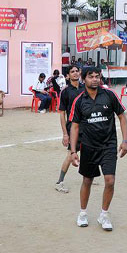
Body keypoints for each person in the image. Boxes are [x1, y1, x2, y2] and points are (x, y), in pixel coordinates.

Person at [69, 67, 127, 230]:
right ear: (84, 79)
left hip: (108, 145)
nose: (95, 79)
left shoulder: (109, 95)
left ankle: (104, 215)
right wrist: (73, 151)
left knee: (110, 181)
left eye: (97, 76)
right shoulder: (80, 100)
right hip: (88, 146)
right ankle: (82, 213)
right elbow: (74, 127)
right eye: (91, 76)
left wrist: (125, 141)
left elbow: (122, 117)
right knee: (87, 180)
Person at [56, 65, 85, 194]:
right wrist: (65, 134)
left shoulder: (85, 88)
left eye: (76, 71)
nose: (75, 73)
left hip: (87, 126)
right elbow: (62, 113)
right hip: (73, 127)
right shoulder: (65, 91)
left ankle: (89, 176)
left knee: (90, 150)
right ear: (68, 75)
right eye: (72, 72)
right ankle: (59, 182)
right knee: (70, 155)